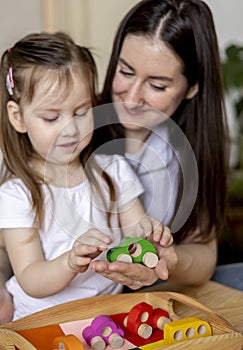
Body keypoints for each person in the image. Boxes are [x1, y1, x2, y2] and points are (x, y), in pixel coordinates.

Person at [0, 31, 174, 321]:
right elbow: (31, 278)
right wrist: (69, 261)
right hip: (43, 320)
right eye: (52, 118)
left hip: (108, 314)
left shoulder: (114, 170)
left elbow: (135, 229)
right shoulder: (16, 195)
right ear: (18, 117)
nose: (70, 129)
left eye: (81, 112)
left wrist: (150, 235)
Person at [90, 0, 232, 290]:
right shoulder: (74, 124)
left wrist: (170, 261)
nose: (131, 97)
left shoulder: (192, 148)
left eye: (157, 86)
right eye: (126, 72)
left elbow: (204, 253)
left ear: (192, 87)